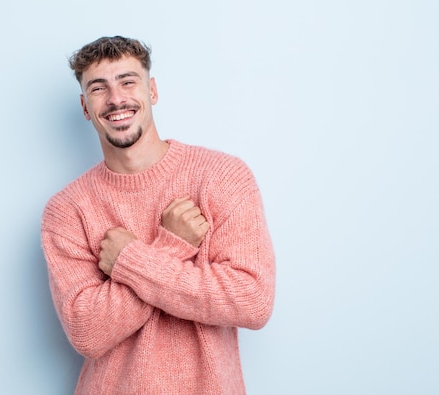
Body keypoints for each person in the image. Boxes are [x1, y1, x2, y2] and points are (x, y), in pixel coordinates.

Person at [41, 35, 275, 395]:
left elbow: (252, 300)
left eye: (128, 81)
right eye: (99, 88)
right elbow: (87, 332)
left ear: (152, 91)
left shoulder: (221, 176)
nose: (116, 98)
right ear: (85, 107)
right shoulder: (68, 209)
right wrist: (172, 246)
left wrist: (129, 260)